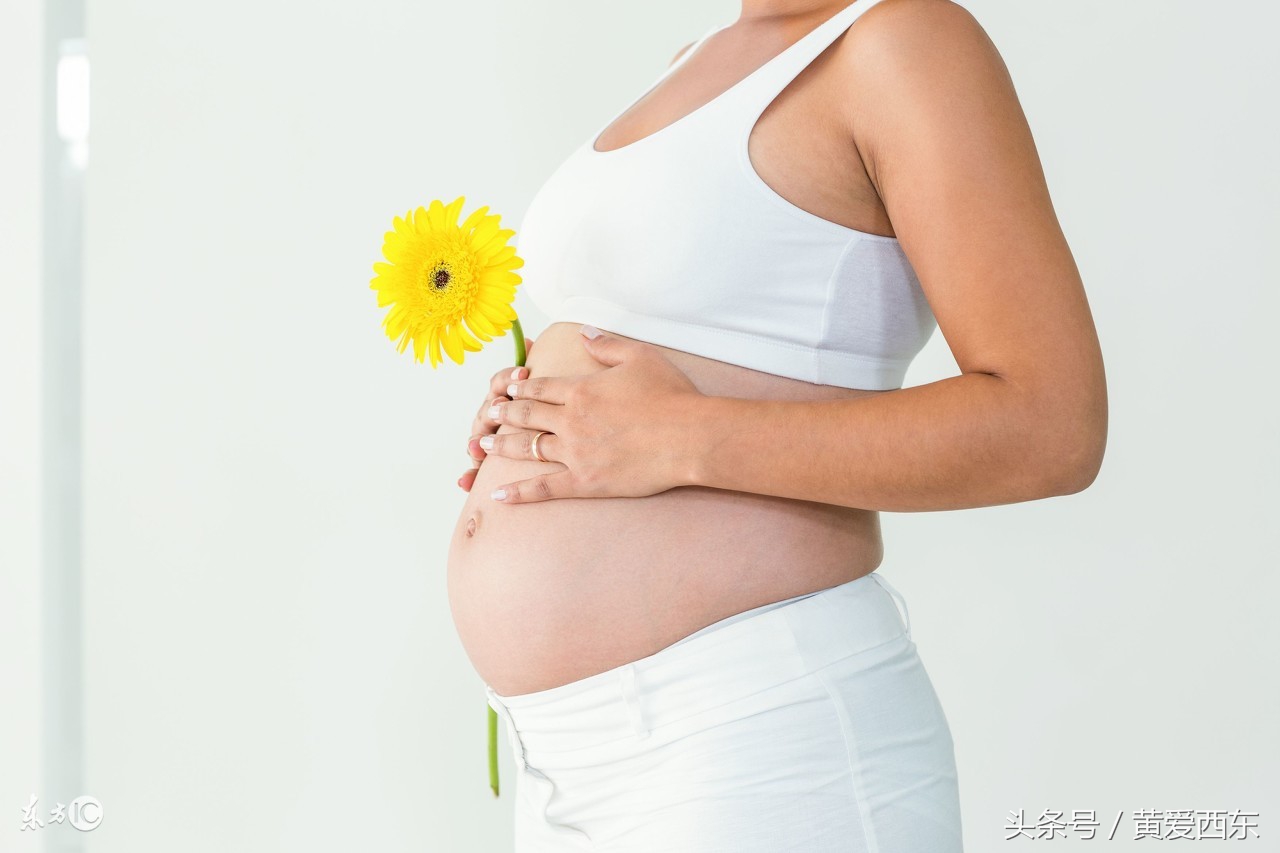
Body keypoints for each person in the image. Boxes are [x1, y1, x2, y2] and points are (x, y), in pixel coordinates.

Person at [448, 0, 1107, 849]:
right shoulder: (699, 57)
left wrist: (677, 435)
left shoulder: (904, 41)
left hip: (760, 738)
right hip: (565, 761)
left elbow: (1052, 424)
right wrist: (544, 406)